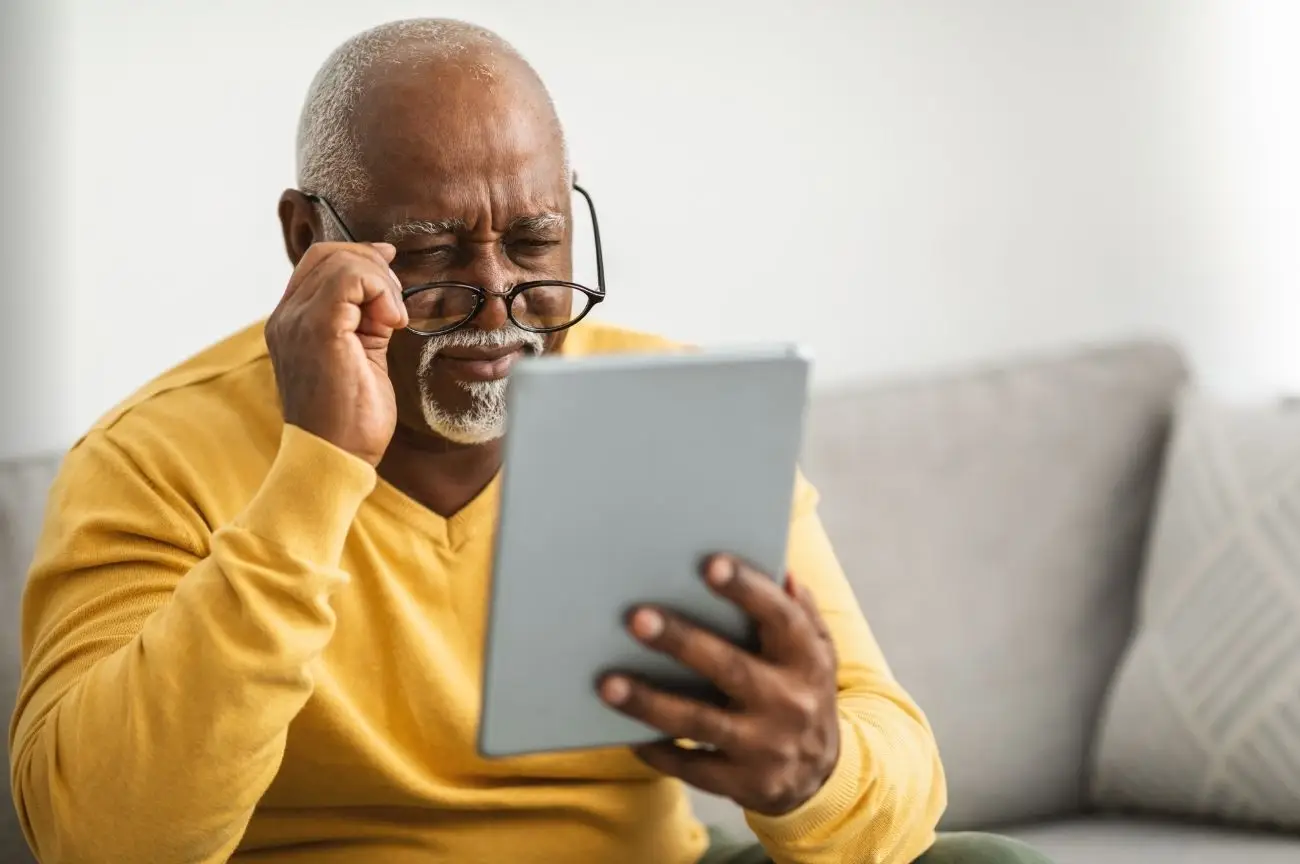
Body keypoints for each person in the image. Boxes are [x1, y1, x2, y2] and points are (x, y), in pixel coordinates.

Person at [8, 18, 1053, 864]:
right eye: (430, 248)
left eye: (537, 238)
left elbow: (896, 772)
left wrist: (815, 771)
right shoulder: (151, 457)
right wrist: (316, 470)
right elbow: (101, 841)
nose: (499, 297)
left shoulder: (672, 411)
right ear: (306, 240)